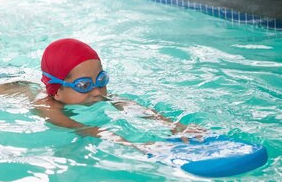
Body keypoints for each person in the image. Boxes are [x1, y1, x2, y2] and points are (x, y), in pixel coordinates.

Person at [32, 38, 202, 144]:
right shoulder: (46, 106)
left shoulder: (96, 93)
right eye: (83, 85)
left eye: (101, 80)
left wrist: (174, 125)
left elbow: (125, 103)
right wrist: (135, 146)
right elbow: (87, 129)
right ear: (56, 92)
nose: (98, 92)